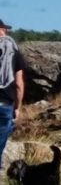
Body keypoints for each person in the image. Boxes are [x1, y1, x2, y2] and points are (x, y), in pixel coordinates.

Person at [0, 18, 27, 163]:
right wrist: (18, 107)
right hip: (4, 104)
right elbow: (18, 84)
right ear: (2, 30)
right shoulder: (13, 53)